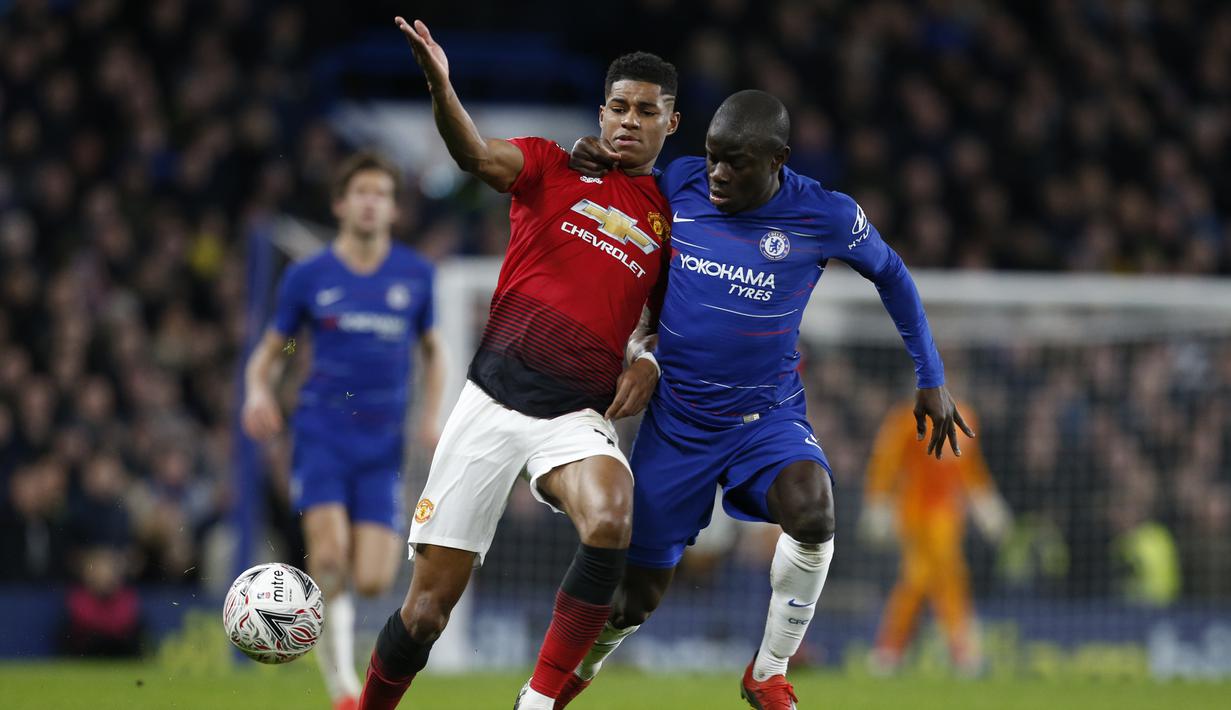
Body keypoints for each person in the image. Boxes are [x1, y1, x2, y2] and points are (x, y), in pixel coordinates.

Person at [562, 90, 973, 709]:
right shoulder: (680, 184)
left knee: (814, 511)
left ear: (778, 159)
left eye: (737, 162)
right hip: (678, 423)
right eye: (713, 157)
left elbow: (892, 273)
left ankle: (769, 671)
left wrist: (931, 376)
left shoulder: (825, 214)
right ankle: (567, 681)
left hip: (767, 417)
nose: (719, 173)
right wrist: (588, 164)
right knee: (635, 600)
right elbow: (614, 222)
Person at [356, 19, 678, 710]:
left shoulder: (669, 221)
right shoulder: (550, 164)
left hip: (574, 414)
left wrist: (649, 358)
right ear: (601, 112)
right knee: (425, 614)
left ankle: (536, 701)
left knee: (611, 519)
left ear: (670, 122)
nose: (628, 121)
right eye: (618, 107)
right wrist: (440, 86)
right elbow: (472, 153)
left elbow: (668, 322)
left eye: (645, 111)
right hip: (490, 403)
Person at [242, 151, 445, 710]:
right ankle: (342, 689)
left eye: (381, 193)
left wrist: (430, 416)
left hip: (383, 448)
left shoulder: (415, 276)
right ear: (340, 204)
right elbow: (279, 345)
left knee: (375, 579)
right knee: (328, 558)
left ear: (393, 208)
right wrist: (264, 384)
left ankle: (336, 640)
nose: (371, 201)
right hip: (322, 435)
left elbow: (433, 352)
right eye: (361, 192)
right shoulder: (310, 278)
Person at [861, 400, 1010, 675]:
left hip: (949, 518)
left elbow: (970, 468)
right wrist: (878, 502)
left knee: (927, 578)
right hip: (914, 515)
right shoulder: (905, 419)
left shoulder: (966, 416)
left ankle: (891, 651)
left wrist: (985, 501)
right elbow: (886, 462)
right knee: (936, 578)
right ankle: (958, 651)